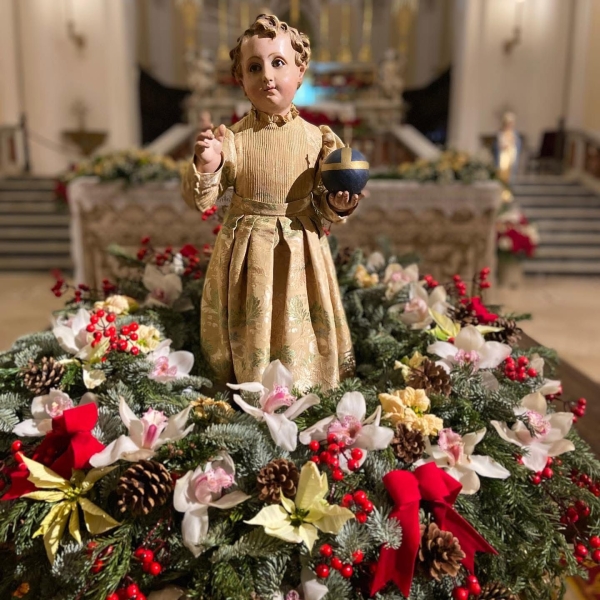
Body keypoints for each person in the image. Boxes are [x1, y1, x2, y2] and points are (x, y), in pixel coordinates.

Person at [181, 14, 363, 391]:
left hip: (301, 249)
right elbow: (203, 199)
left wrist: (339, 204)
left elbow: (323, 206)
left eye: (278, 63)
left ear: (300, 72)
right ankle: (246, 387)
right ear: (241, 81)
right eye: (254, 67)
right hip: (248, 253)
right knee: (252, 321)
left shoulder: (318, 140)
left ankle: (307, 384)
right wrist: (208, 164)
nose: (267, 74)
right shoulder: (232, 139)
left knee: (300, 319)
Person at [493, 111, 522, 184]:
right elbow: (496, 145)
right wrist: (501, 146)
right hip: (503, 155)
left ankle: (509, 188)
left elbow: (518, 144)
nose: (509, 125)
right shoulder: (500, 133)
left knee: (511, 174)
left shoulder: (514, 133)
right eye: (508, 123)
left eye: (511, 123)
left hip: (511, 155)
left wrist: (512, 144)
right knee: (501, 172)